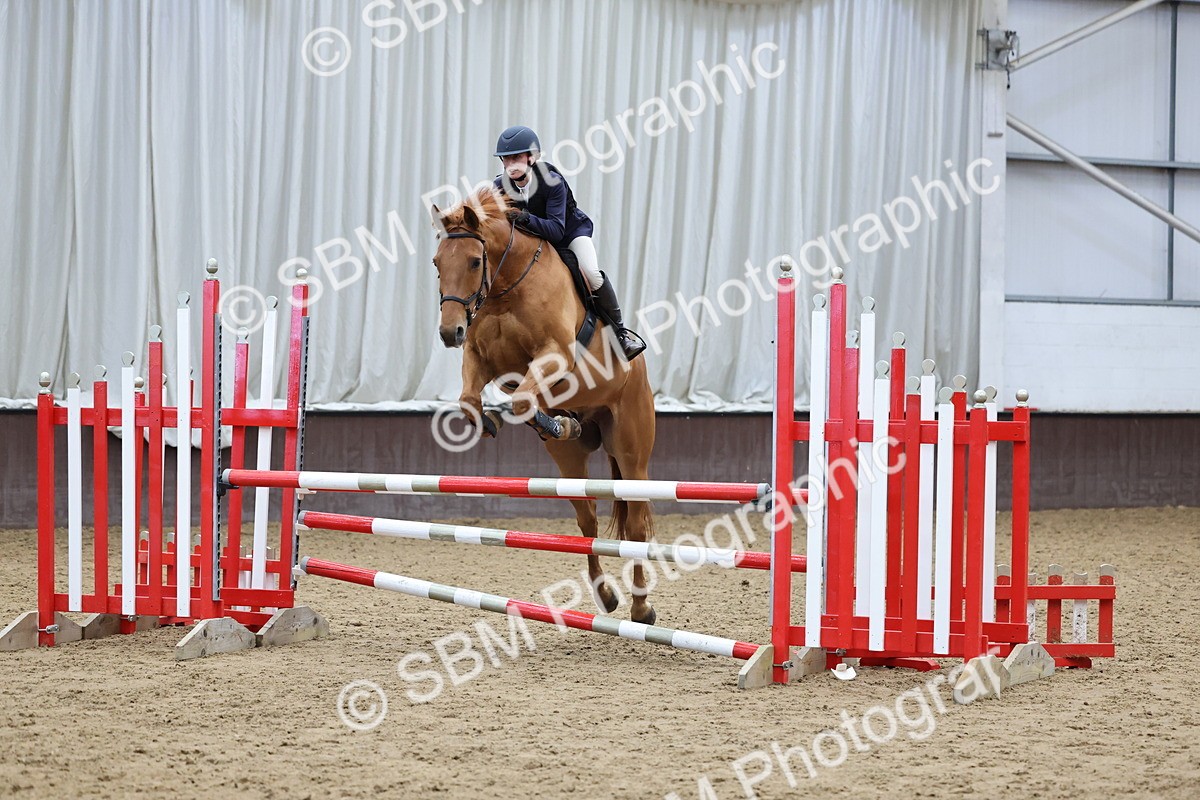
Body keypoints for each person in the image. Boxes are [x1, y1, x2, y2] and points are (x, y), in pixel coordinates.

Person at [491, 125, 646, 361]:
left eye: (516, 157)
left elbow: (555, 230)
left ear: (532, 158)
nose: (510, 164)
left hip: (568, 234)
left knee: (592, 274)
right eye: (506, 158)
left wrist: (525, 218)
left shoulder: (551, 181)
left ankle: (620, 333)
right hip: (532, 242)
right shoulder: (500, 187)